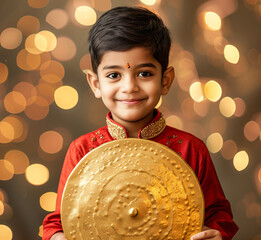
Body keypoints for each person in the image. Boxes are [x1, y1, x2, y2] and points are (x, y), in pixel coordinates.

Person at [42, 6, 238, 240]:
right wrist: (58, 236)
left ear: (166, 80)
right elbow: (58, 221)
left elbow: (218, 214)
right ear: (95, 84)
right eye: (114, 75)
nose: (129, 87)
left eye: (144, 73)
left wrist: (218, 233)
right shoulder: (83, 150)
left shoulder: (191, 149)